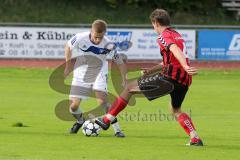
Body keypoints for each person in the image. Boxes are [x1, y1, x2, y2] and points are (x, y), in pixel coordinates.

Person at [95, 9, 203, 146]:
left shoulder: (164, 36)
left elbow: (175, 50)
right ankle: (195, 137)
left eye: (153, 25)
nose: (153, 28)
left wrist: (185, 66)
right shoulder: (177, 34)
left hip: (171, 77)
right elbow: (168, 60)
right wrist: (151, 71)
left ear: (156, 23)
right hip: (184, 80)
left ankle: (106, 120)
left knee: (129, 87)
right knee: (176, 109)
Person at [64, 19, 127, 137]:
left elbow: (119, 61)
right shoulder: (80, 37)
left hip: (100, 71)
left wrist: (124, 77)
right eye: (96, 37)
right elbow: (68, 47)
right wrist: (68, 66)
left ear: (104, 34)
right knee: (73, 106)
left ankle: (117, 130)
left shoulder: (109, 45)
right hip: (81, 71)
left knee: (102, 101)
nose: (98, 40)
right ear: (91, 31)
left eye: (101, 37)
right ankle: (80, 121)